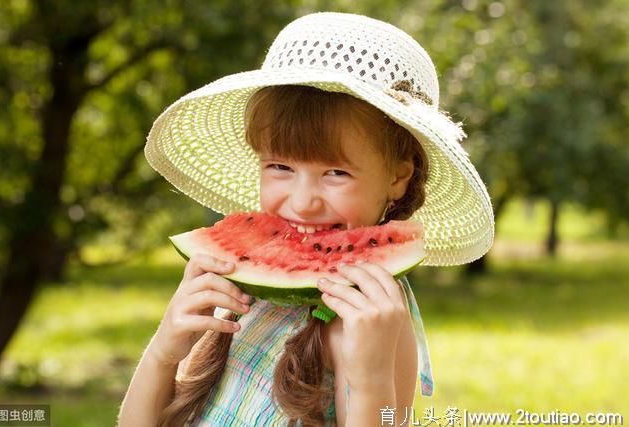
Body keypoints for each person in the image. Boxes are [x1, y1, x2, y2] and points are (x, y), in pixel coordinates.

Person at [118, 11, 494, 427]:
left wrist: (371, 380)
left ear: (397, 178)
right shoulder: (242, 292)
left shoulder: (373, 317)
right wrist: (164, 352)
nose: (303, 202)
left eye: (336, 173)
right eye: (280, 166)